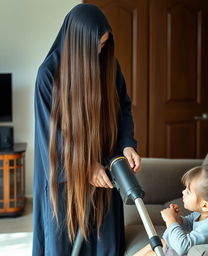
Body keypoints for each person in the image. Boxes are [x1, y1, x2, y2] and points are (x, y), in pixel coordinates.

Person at [32, 4, 141, 256]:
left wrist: (127, 144)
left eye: (104, 44)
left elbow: (123, 107)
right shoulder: (48, 75)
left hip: (104, 165)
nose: (101, 51)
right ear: (78, 43)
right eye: (96, 46)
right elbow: (51, 134)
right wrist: (85, 165)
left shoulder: (109, 66)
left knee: (105, 241)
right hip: (65, 174)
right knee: (64, 242)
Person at [134, 161, 208, 256]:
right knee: (159, 243)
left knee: (156, 252)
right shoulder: (205, 213)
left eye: (188, 192)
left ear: (205, 205)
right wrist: (178, 220)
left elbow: (183, 247)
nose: (183, 192)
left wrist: (171, 221)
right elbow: (190, 224)